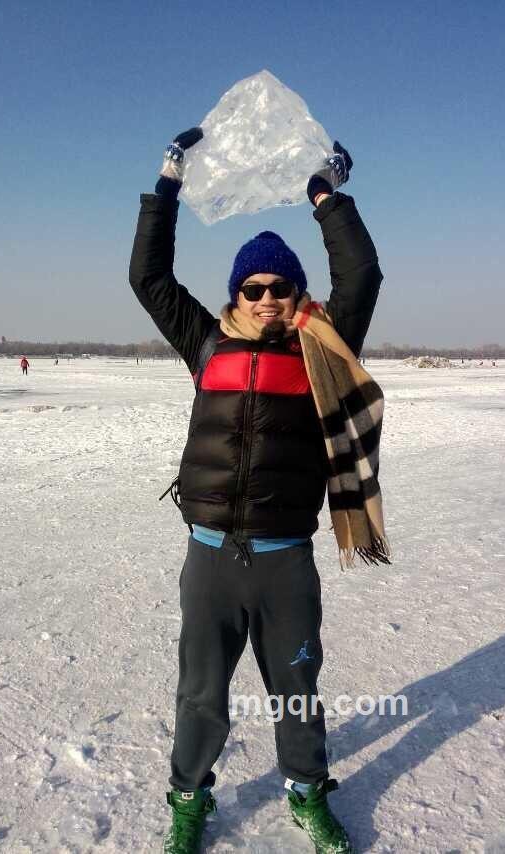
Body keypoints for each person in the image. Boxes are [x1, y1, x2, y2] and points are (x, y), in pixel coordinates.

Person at [129, 128, 389, 854]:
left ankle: (308, 793)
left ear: (295, 291)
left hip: (285, 560)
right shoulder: (206, 342)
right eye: (254, 287)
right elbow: (148, 278)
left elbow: (363, 275)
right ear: (236, 293)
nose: (268, 298)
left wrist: (325, 197)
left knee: (297, 692)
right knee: (201, 697)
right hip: (209, 558)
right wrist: (168, 186)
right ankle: (189, 797)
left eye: (280, 286)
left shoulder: (322, 346)